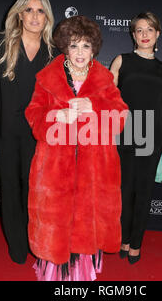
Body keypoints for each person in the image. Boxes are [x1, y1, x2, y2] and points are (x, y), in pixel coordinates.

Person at [25, 15, 128, 281]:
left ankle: (82, 273)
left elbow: (121, 116)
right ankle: (57, 273)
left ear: (93, 48)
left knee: (86, 223)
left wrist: (95, 109)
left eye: (85, 46)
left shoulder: (104, 79)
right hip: (55, 166)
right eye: (73, 45)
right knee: (56, 223)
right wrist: (55, 117)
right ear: (64, 47)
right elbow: (33, 114)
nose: (79, 52)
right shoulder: (47, 78)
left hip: (94, 168)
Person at [0, 0, 56, 264]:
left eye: (40, 10)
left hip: (40, 134)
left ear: (47, 17)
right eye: (30, 10)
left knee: (35, 191)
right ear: (20, 14)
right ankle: (17, 246)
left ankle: (36, 242)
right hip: (5, 130)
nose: (35, 16)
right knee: (10, 189)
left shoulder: (53, 51)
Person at [110, 12, 162, 264]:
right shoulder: (122, 61)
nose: (144, 34)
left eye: (149, 30)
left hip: (152, 134)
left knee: (143, 193)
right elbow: (109, 99)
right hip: (125, 133)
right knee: (124, 192)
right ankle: (123, 239)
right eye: (139, 30)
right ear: (133, 35)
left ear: (157, 34)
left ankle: (136, 245)